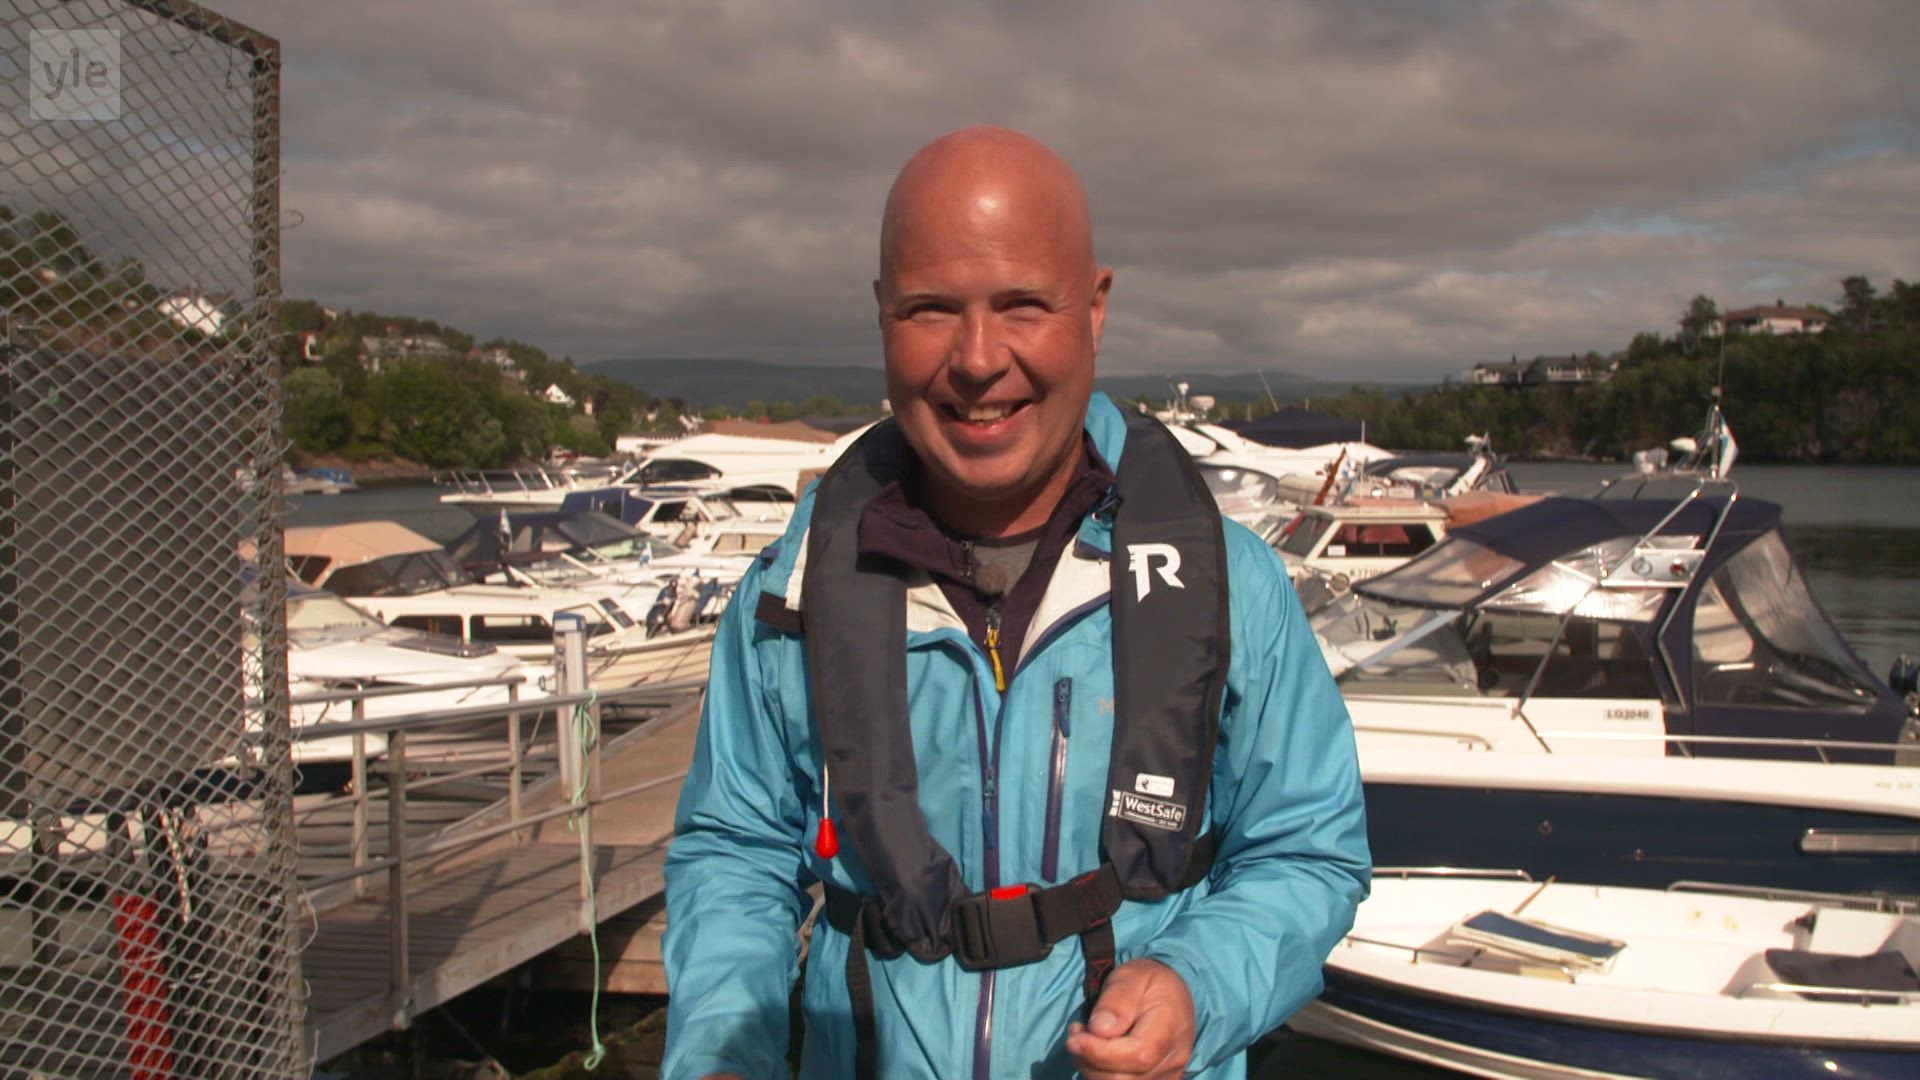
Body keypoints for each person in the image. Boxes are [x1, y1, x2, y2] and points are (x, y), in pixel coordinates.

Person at [662, 126, 1368, 1080]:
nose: (978, 359)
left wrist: (1197, 986)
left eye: (1023, 305)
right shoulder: (789, 599)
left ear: (1095, 309)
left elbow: (1308, 851)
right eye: (930, 310)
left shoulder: (1230, 588)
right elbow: (735, 851)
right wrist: (722, 1050)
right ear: (881, 315)